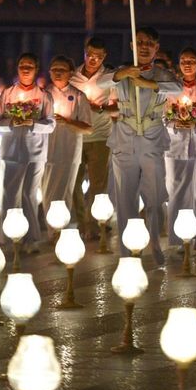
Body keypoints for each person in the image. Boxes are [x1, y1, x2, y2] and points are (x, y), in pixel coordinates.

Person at [103, 26, 182, 265]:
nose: (144, 46)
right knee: (125, 198)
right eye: (139, 42)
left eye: (149, 43)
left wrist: (148, 83)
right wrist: (123, 74)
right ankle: (126, 252)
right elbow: (99, 83)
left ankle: (155, 242)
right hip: (125, 139)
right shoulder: (122, 72)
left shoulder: (162, 74)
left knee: (154, 197)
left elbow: (177, 88)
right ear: (132, 46)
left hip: (152, 139)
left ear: (156, 48)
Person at [0, 53, 55, 251]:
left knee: (29, 194)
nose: (25, 68)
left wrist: (33, 122)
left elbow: (51, 124)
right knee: (10, 194)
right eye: (22, 65)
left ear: (36, 69)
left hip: (35, 151)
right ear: (17, 69)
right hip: (10, 151)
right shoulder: (7, 94)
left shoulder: (44, 96)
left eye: (30, 65)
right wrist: (11, 122)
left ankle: (31, 238)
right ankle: (9, 238)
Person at [164, 48, 196, 249]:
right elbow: (162, 118)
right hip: (175, 147)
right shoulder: (170, 90)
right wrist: (176, 124)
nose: (187, 64)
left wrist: (195, 125)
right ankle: (177, 239)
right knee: (176, 190)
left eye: (191, 61)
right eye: (183, 60)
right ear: (178, 63)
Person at [70, 37, 117, 239]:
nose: (93, 59)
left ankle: (96, 223)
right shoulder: (73, 78)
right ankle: (82, 223)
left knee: (98, 184)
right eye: (90, 54)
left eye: (98, 56)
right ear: (84, 52)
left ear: (104, 57)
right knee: (74, 183)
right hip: (77, 136)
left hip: (100, 135)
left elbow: (117, 109)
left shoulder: (109, 77)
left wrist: (101, 108)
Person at [42, 56, 93, 226]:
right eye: (54, 69)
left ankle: (61, 228)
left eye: (62, 70)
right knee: (47, 192)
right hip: (45, 152)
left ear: (71, 73)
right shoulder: (43, 94)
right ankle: (52, 231)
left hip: (69, 151)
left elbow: (87, 128)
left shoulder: (78, 96)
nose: (57, 73)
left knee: (64, 191)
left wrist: (68, 122)